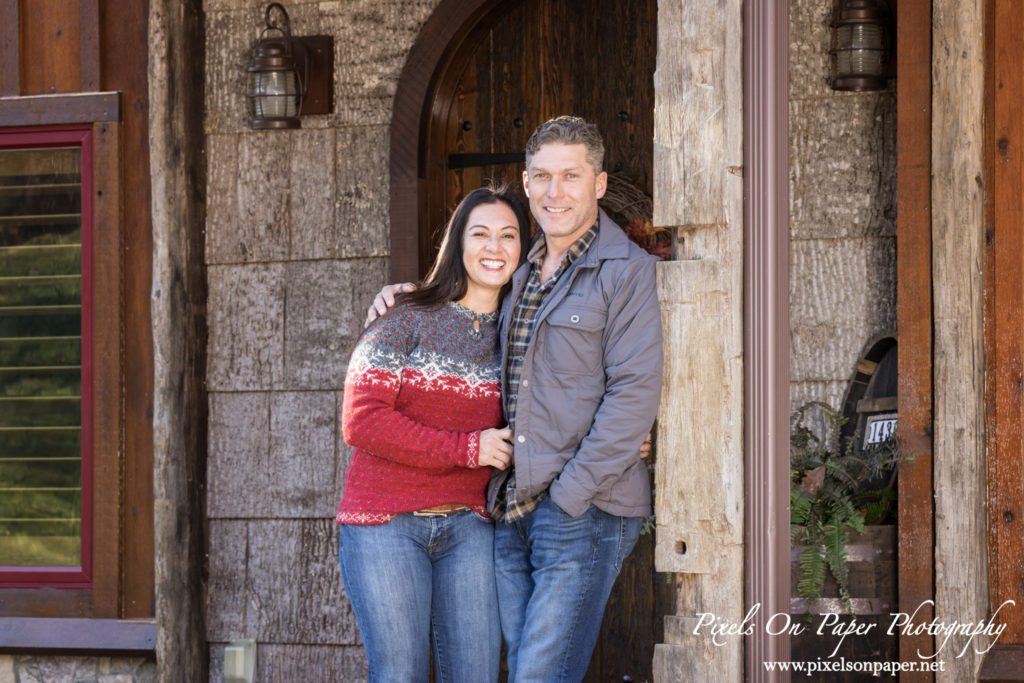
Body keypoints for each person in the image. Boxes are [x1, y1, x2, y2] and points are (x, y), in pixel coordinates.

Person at [367, 116, 664, 682]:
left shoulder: (626, 273)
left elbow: (633, 394)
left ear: (598, 185)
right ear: (526, 185)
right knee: (519, 669)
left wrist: (569, 496)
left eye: (571, 176)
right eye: (543, 177)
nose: (556, 192)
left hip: (583, 508)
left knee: (538, 676)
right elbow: (468, 310)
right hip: (513, 509)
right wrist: (406, 294)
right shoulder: (521, 272)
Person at [336, 185, 531, 683]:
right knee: (399, 674)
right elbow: (362, 420)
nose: (495, 247)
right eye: (480, 233)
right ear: (457, 244)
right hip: (385, 524)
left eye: (509, 235)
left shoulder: (519, 335)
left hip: (469, 527)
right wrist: (469, 449)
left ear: (523, 250)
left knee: (476, 674)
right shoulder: (403, 317)